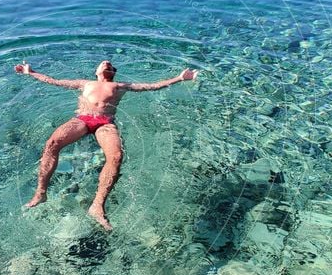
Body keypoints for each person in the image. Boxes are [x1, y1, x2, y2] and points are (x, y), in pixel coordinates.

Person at [14, 59, 198, 230]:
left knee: (116, 157)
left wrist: (179, 78)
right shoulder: (85, 83)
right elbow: (54, 81)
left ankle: (97, 205)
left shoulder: (120, 86)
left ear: (114, 72)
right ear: (96, 71)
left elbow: (152, 86)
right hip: (82, 120)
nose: (107, 64)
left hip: (105, 123)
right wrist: (31, 72)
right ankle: (41, 193)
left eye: (110, 65)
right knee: (52, 143)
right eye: (104, 63)